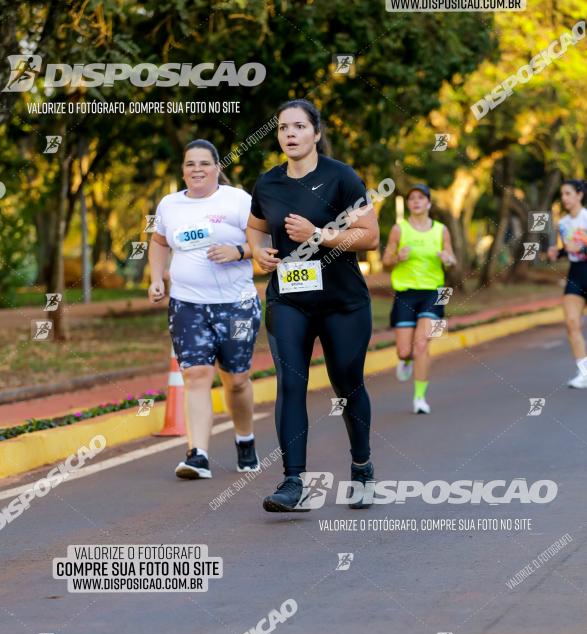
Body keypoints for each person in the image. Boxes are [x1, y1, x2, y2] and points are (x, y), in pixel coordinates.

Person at [246, 99, 380, 512]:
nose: (290, 134)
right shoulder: (267, 184)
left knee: (346, 382)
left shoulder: (342, 178)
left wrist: (318, 234)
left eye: (299, 126)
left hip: (343, 302)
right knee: (290, 383)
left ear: (316, 133)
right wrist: (258, 253)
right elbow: (255, 229)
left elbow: (370, 235)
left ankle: (361, 467)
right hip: (289, 300)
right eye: (283, 127)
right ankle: (293, 481)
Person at [148, 139, 262, 478]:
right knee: (195, 374)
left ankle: (245, 439)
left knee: (237, 379)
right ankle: (197, 454)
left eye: (204, 163)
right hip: (187, 304)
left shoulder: (238, 200)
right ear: (182, 170)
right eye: (189, 164)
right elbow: (158, 242)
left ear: (217, 168)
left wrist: (238, 252)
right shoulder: (170, 205)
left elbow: (264, 242)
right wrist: (156, 278)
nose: (196, 169)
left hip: (237, 305)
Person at [382, 184, 456, 414]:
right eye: (412, 198)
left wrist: (448, 259)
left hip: (433, 293)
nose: (416, 202)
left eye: (421, 198)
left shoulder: (441, 230)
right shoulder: (399, 229)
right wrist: (397, 257)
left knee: (422, 344)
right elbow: (386, 261)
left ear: (429, 203)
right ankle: (405, 360)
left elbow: (452, 259)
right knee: (405, 351)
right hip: (405, 293)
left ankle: (420, 398)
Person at [547, 179, 587, 387]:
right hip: (576, 274)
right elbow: (568, 249)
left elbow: (578, 248)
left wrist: (580, 250)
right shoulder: (562, 223)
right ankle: (584, 373)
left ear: (579, 195)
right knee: (572, 323)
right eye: (562, 194)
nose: (564, 198)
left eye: (568, 193)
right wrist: (558, 252)